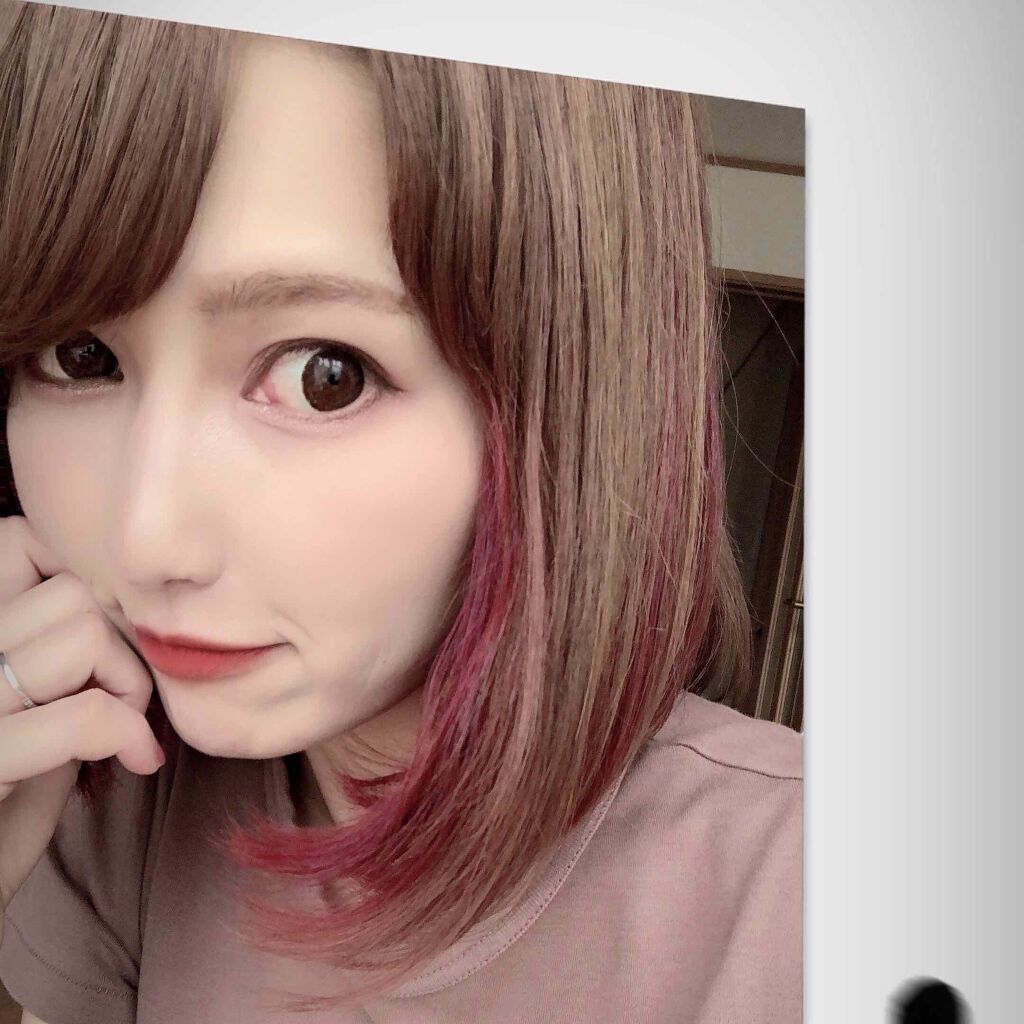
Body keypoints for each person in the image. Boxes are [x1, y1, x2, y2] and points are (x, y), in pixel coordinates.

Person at [0, 4, 802, 1022]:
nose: (146, 541)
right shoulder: (101, 797)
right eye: (81, 356)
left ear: (569, 402)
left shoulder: (804, 905)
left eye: (324, 375)